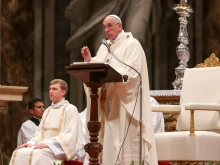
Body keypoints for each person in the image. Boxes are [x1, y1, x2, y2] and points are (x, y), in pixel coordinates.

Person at [81, 15, 158, 165]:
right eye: (104, 27)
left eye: (109, 26)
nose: (106, 30)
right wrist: (89, 60)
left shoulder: (132, 44)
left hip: (124, 103)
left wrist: (112, 73)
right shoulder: (105, 47)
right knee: (108, 140)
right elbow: (99, 65)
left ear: (120, 26)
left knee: (125, 139)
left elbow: (133, 72)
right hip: (107, 100)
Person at [9, 79, 84, 165]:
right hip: (44, 146)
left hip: (60, 149)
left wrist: (49, 144)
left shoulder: (70, 109)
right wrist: (31, 143)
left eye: (54, 89)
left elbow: (70, 135)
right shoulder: (48, 110)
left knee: (37, 155)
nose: (51, 92)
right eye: (50, 89)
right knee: (19, 153)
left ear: (63, 92)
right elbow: (40, 132)